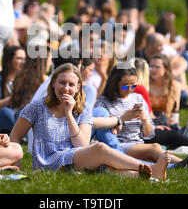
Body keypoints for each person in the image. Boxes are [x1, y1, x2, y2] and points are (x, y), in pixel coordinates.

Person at [10, 63, 169, 180]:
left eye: (71, 84)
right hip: (47, 161)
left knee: (106, 167)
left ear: (78, 87)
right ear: (53, 83)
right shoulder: (37, 107)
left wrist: (69, 114)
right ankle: (153, 169)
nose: (66, 88)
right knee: (99, 148)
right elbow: (15, 137)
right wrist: (17, 161)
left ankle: (141, 176)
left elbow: (81, 145)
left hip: (73, 157)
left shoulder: (82, 109)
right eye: (62, 83)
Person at [92, 64, 188, 171]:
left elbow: (149, 134)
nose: (129, 90)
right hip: (118, 145)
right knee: (155, 148)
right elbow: (99, 131)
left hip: (138, 143)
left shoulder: (138, 98)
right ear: (114, 84)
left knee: (153, 152)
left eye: (133, 86)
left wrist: (145, 120)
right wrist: (122, 119)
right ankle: (184, 164)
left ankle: (184, 165)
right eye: (124, 86)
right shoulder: (104, 102)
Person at [0, 46, 26, 133]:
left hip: (16, 117)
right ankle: (21, 134)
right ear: (9, 59)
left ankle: (21, 133)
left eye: (24, 59)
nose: (23, 62)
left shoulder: (23, 80)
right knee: (6, 112)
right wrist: (10, 100)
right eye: (19, 58)